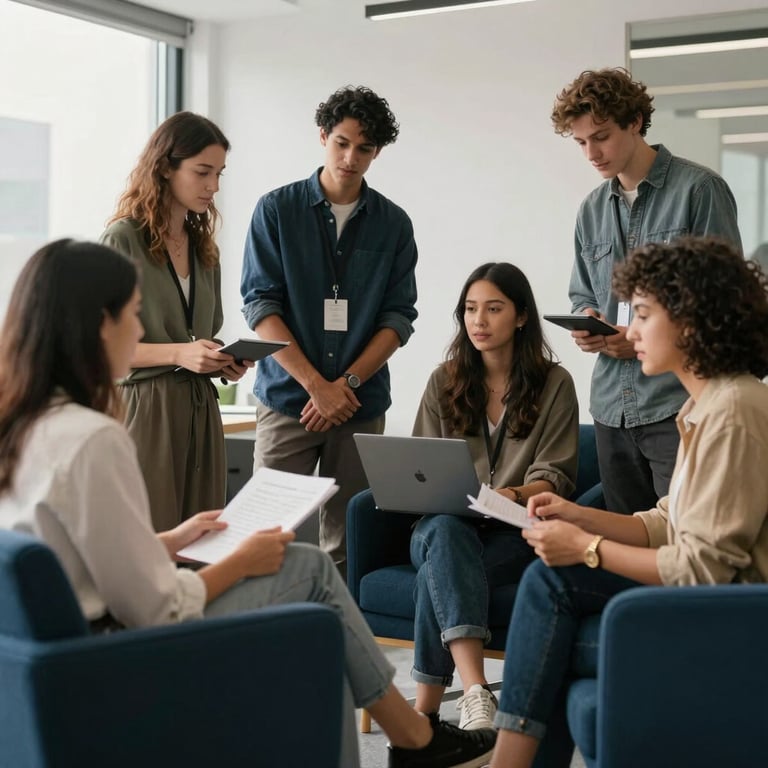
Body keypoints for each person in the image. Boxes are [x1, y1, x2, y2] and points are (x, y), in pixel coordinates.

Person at [0, 239, 495, 768]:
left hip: (62, 654)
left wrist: (169, 540)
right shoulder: (94, 438)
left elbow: (70, 557)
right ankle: (414, 738)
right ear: (100, 324)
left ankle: (412, 736)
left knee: (305, 595)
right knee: (307, 571)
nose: (141, 332)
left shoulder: (24, 427)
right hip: (119, 655)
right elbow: (155, 609)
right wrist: (242, 562)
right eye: (135, 315)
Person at [487, 236, 768, 768]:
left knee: (553, 591)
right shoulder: (708, 404)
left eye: (641, 314)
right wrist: (576, 513)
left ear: (691, 318)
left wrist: (583, 546)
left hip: (737, 627)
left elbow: (699, 568)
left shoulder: (733, 411)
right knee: (551, 604)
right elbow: (668, 522)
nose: (629, 330)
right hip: (715, 609)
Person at [360, 263, 579, 730]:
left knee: (435, 577)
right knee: (443, 532)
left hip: (512, 532)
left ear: (521, 316)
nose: (478, 321)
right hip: (439, 526)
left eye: (493, 309)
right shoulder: (445, 380)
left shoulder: (555, 384)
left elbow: (555, 475)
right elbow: (418, 466)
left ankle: (423, 714)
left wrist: (509, 494)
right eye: (470, 309)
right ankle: (476, 688)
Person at [240, 85, 418, 574]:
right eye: (341, 142)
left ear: (377, 151)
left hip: (358, 406)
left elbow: (398, 318)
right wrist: (317, 387)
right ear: (322, 136)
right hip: (287, 399)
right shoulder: (276, 210)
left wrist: (346, 386)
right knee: (265, 532)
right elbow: (260, 305)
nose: (350, 157)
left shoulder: (394, 224)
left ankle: (337, 641)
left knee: (349, 540)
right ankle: (267, 639)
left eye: (364, 149)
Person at [551, 67, 742, 514]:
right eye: (580, 142)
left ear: (635, 122)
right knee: (625, 551)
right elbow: (583, 293)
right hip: (610, 410)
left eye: (601, 136)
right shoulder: (591, 209)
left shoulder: (700, 190)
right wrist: (589, 324)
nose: (591, 153)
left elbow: (725, 304)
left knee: (682, 546)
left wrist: (636, 338)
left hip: (676, 405)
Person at [100, 111, 251, 532]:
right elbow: (101, 345)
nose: (214, 186)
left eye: (219, 173)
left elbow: (197, 335)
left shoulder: (205, 249)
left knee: (202, 540)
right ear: (165, 166)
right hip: (146, 410)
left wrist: (221, 358)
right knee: (148, 537)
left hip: (201, 411)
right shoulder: (123, 239)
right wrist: (181, 354)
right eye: (203, 172)